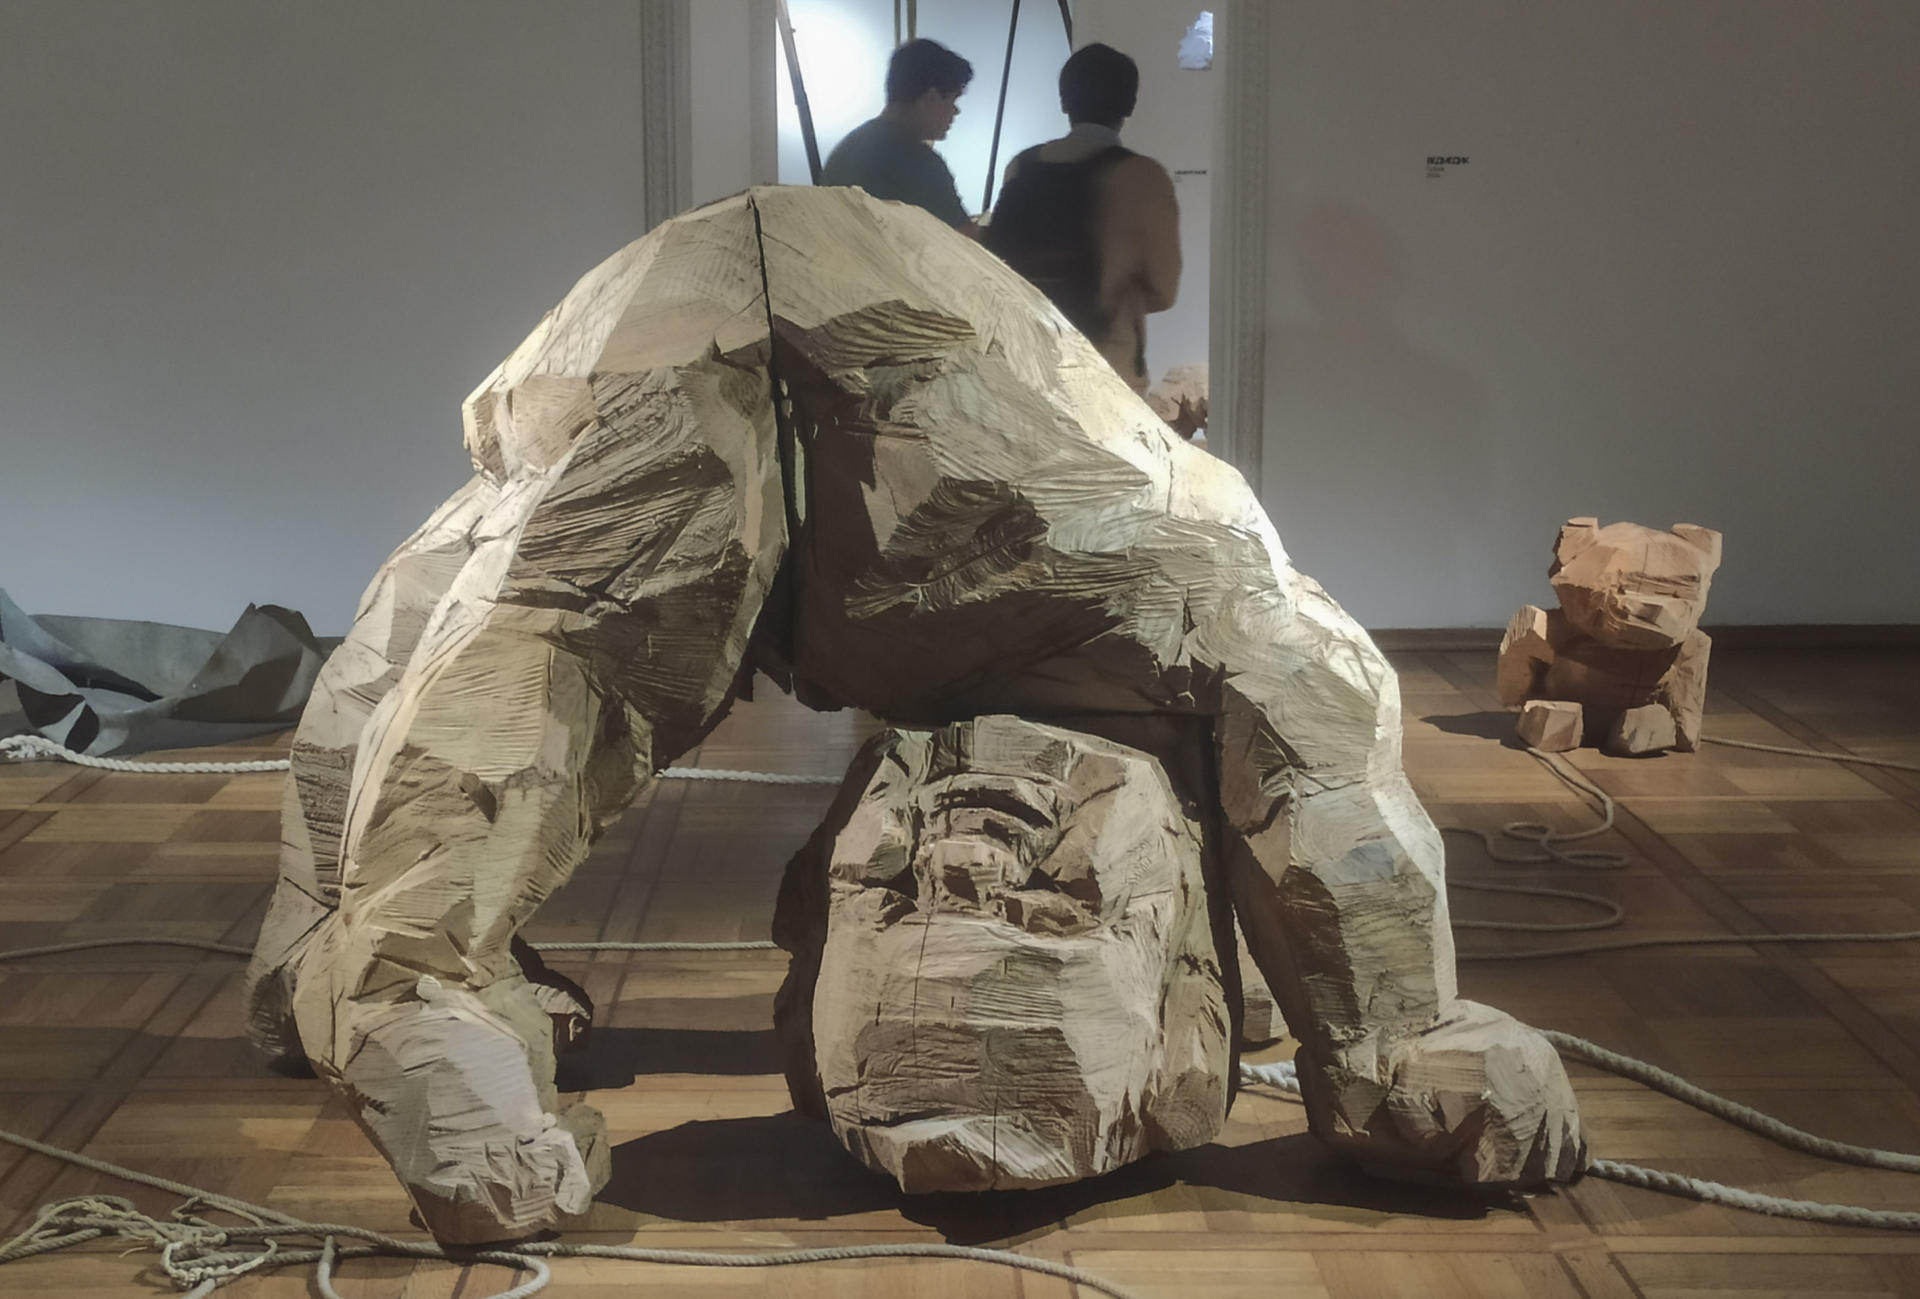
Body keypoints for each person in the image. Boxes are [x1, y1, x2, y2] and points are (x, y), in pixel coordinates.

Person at [985, 43, 1179, 392]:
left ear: (1064, 101)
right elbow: (1164, 291)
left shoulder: (1021, 166)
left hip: (1022, 363)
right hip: (1105, 371)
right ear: (1129, 104)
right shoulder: (1144, 176)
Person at [821, 39, 977, 235]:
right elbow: (967, 244)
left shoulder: (847, 147)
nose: (956, 111)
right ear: (931, 98)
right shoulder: (919, 163)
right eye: (953, 100)